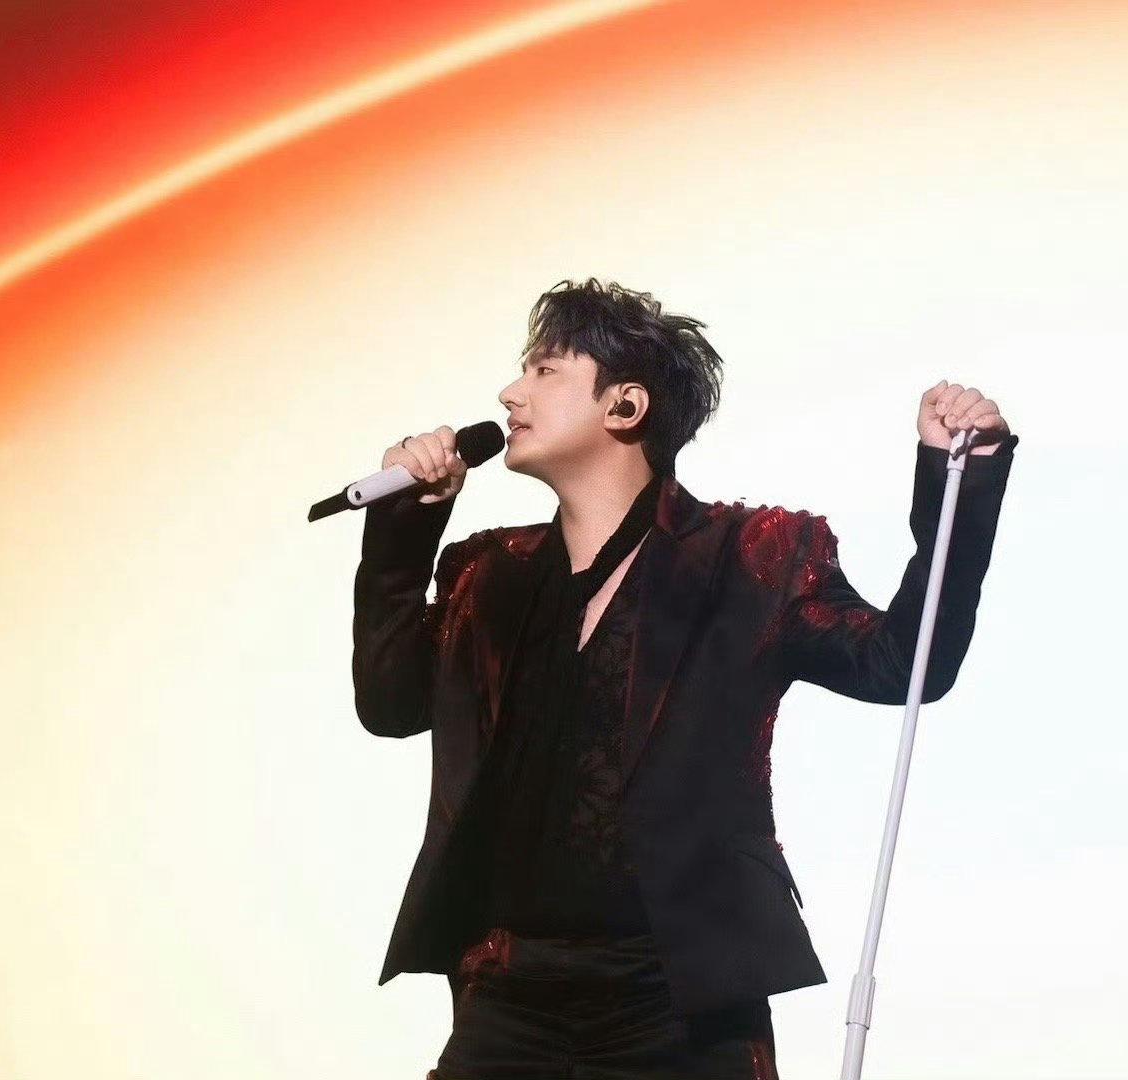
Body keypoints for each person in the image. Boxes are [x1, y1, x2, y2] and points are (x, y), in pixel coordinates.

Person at [350, 278, 1018, 1078]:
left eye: (544, 370)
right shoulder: (489, 574)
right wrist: (405, 527)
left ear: (625, 405)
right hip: (507, 1001)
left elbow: (906, 665)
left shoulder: (752, 559)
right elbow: (390, 702)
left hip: (678, 1010)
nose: (511, 393)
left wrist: (960, 482)